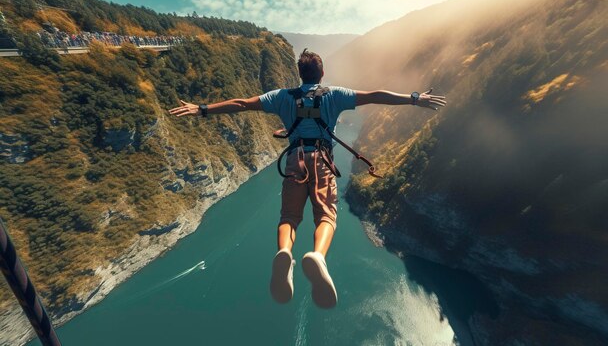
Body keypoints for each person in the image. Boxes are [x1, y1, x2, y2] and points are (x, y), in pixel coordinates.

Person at [169, 49, 446, 309]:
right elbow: (375, 95)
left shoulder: (281, 96)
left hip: (294, 160)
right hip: (323, 161)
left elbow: (242, 103)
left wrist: (203, 108)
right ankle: (317, 256)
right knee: (326, 216)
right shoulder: (335, 95)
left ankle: (285, 253)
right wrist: (413, 98)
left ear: (299, 74)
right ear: (321, 73)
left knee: (289, 217)